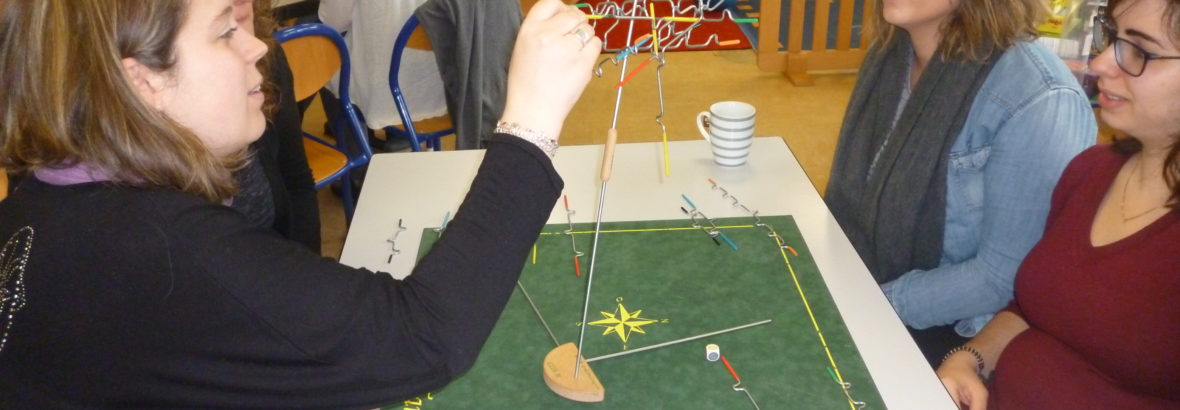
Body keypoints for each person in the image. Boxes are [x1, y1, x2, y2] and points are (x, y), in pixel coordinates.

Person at [0, 0, 600, 408]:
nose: (255, 46)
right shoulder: (170, 250)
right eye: (225, 32)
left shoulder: (47, 198)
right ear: (143, 82)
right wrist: (530, 124)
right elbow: (424, 338)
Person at [823, 0, 1096, 365]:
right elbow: (853, 203)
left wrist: (866, 303)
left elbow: (1002, 279)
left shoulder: (1040, 97)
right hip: (871, 291)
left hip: (962, 341)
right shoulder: (890, 53)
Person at [937, 0, 1180, 408]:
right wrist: (969, 358)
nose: (1100, 64)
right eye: (1111, 36)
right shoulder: (1091, 171)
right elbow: (1036, 309)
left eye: (1141, 51)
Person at [232, 0, 321, 252]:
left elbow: (296, 180)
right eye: (223, 32)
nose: (258, 49)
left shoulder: (267, 57)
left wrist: (308, 264)